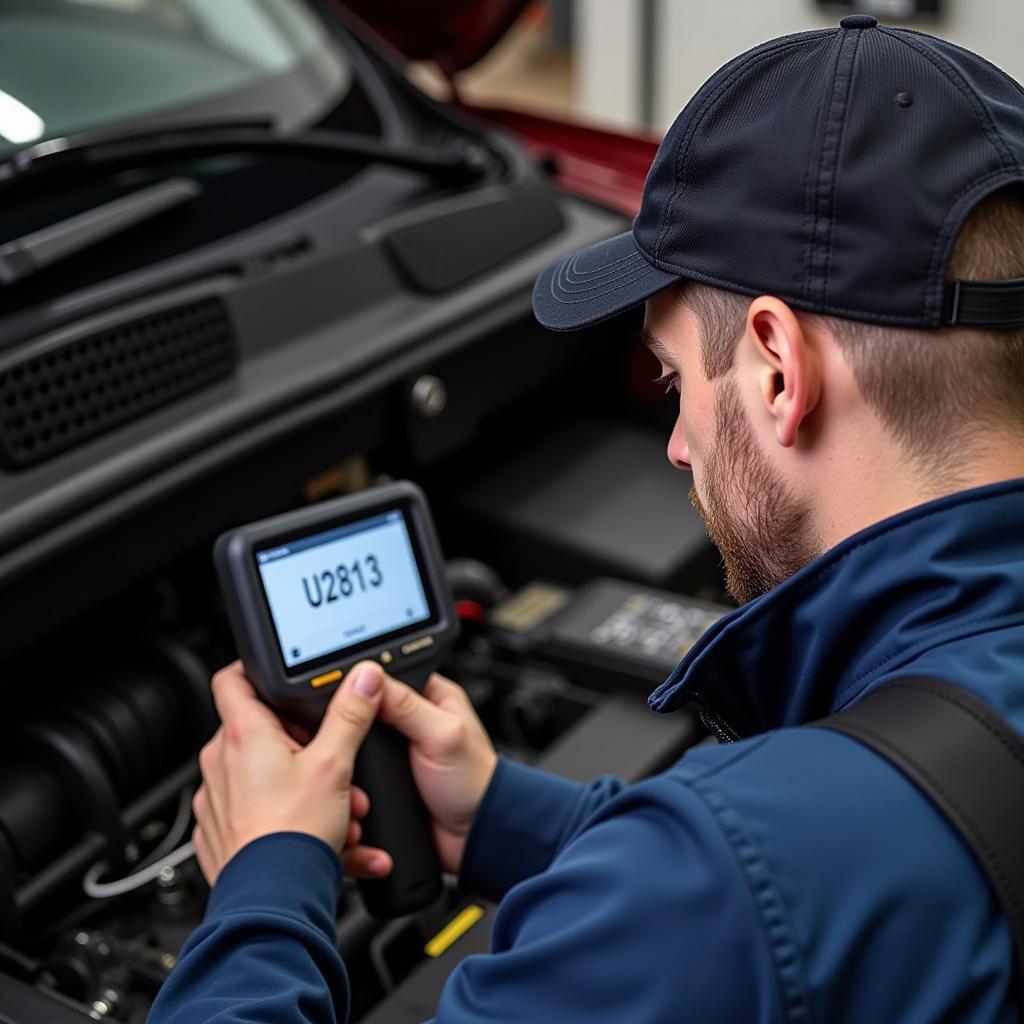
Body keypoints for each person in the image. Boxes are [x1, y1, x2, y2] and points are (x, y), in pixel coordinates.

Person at [150, 17, 1024, 1023]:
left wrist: (262, 886)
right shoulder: (764, 867)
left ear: (779, 370)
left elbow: (743, 901)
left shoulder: (722, 887)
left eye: (670, 379)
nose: (676, 446)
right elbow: (803, 892)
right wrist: (505, 818)